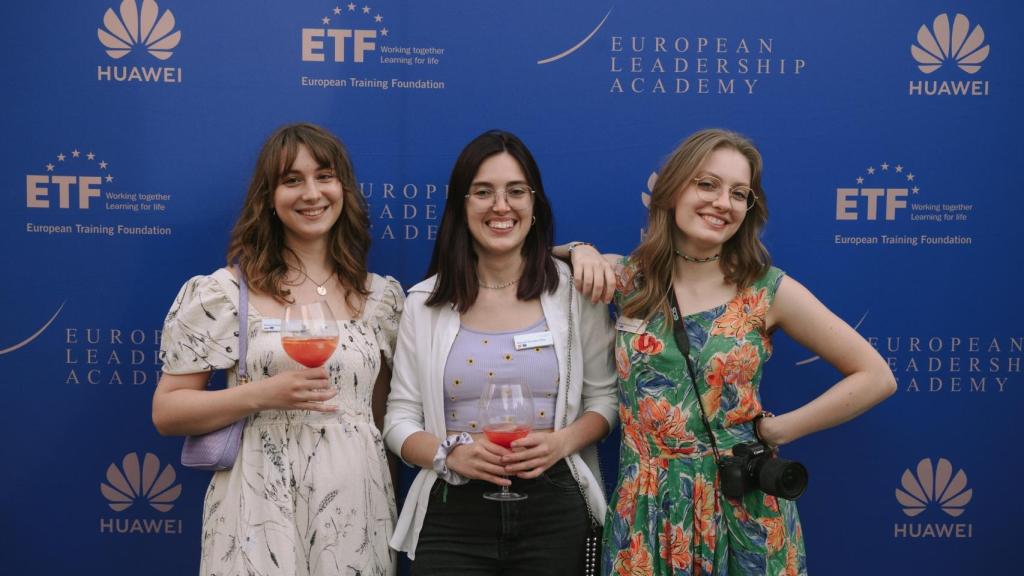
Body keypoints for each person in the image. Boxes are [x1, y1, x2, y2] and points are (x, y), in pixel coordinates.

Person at [581, 129, 897, 575]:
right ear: (671, 190)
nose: (722, 202)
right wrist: (578, 250)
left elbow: (876, 376)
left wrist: (777, 430)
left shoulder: (766, 290)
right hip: (647, 509)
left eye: (738, 193)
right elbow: (537, 261)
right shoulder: (628, 279)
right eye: (706, 184)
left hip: (741, 508)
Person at [152, 123, 402, 576]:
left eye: (324, 176)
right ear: (269, 197)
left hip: (356, 505)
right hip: (255, 505)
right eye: (292, 180)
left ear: (342, 189)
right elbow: (167, 412)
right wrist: (261, 395)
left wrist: (569, 253)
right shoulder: (224, 294)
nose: (311, 193)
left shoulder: (380, 300)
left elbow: (384, 419)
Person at [383, 129, 618, 574]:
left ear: (534, 203)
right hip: (453, 512)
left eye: (515, 191)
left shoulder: (574, 294)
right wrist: (447, 454)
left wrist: (560, 443)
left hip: (555, 507)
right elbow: (398, 419)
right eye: (483, 192)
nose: (501, 206)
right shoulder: (424, 303)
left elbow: (604, 400)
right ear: (461, 205)